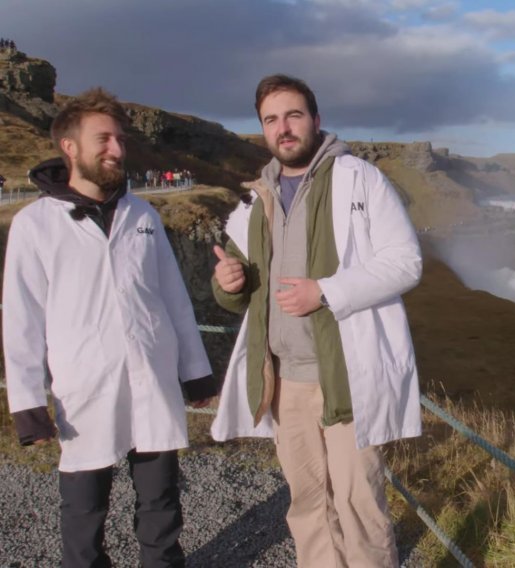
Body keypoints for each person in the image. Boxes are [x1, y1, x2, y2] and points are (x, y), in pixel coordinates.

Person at [210, 74, 422, 567]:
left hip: (344, 378)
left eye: (293, 115)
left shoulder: (360, 179)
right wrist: (228, 281)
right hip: (284, 382)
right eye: (271, 119)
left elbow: (406, 262)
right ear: (263, 130)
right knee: (308, 506)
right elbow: (233, 294)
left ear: (316, 120)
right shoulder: (255, 200)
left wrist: (325, 292)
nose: (283, 128)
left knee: (359, 505)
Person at [2, 87, 217, 568]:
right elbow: (21, 319)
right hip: (85, 392)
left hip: (152, 381)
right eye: (104, 139)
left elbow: (173, 298)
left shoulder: (143, 214)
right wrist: (28, 405)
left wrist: (195, 371)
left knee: (162, 508)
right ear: (70, 147)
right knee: (84, 516)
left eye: (120, 139)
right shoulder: (35, 225)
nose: (117, 150)